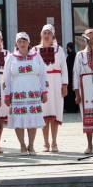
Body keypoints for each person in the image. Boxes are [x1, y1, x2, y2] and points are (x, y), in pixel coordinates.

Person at [3, 32, 48, 155]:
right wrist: (7, 94)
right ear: (16, 43)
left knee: (32, 118)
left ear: (29, 43)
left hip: (33, 90)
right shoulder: (11, 57)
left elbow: (43, 74)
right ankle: (22, 144)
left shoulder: (36, 56)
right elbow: (6, 77)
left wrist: (44, 91)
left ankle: (31, 144)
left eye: (24, 41)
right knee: (19, 118)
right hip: (17, 90)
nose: (22, 44)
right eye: (19, 41)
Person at [33, 25, 68, 153]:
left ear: (53, 35)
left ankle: (54, 142)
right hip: (41, 83)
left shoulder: (59, 50)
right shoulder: (35, 50)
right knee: (44, 113)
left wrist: (65, 85)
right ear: (41, 35)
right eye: (44, 33)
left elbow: (64, 68)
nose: (46, 35)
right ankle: (45, 142)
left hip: (56, 82)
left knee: (55, 112)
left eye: (49, 33)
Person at [64, 43, 80, 113]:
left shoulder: (70, 56)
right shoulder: (75, 55)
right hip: (73, 76)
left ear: (68, 47)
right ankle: (74, 108)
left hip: (70, 77)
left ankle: (70, 108)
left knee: (70, 93)